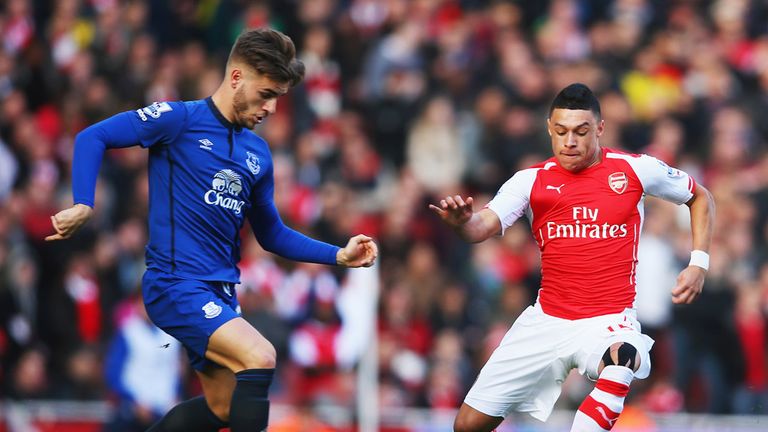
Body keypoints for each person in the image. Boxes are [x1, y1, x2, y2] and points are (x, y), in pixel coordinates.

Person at [46, 28, 378, 432]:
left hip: (220, 290)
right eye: (267, 94)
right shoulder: (179, 119)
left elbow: (271, 234)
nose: (272, 108)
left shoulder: (258, 154)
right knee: (261, 355)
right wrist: (84, 202)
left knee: (221, 408)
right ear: (236, 78)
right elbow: (92, 136)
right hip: (174, 283)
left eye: (278, 98)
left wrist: (337, 255)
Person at [429, 83, 714, 432]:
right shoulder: (529, 181)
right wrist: (462, 223)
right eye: (561, 131)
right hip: (547, 319)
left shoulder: (635, 170)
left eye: (581, 132)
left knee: (624, 356)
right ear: (549, 127)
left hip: (608, 320)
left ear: (600, 129)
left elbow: (700, 197)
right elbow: (481, 227)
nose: (570, 142)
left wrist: (699, 262)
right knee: (467, 426)